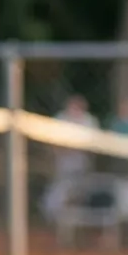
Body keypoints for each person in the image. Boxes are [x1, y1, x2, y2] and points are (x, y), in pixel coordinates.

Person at [42, 94, 100, 223]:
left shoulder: (89, 121)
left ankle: (77, 223)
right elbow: (54, 145)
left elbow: (92, 148)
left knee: (79, 195)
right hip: (62, 165)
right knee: (57, 194)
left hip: (83, 166)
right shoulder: (60, 118)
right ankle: (58, 223)